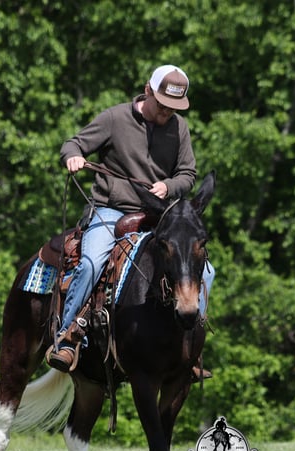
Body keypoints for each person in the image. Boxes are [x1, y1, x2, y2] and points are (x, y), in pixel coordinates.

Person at [47, 64, 210, 373]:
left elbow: (188, 174)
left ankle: (190, 350)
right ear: (148, 91)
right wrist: (73, 156)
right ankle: (67, 337)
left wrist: (169, 186)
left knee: (206, 269)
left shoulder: (179, 128)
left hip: (159, 214)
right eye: (162, 104)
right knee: (92, 263)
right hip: (112, 210)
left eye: (173, 107)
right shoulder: (115, 118)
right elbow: (73, 144)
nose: (167, 112)